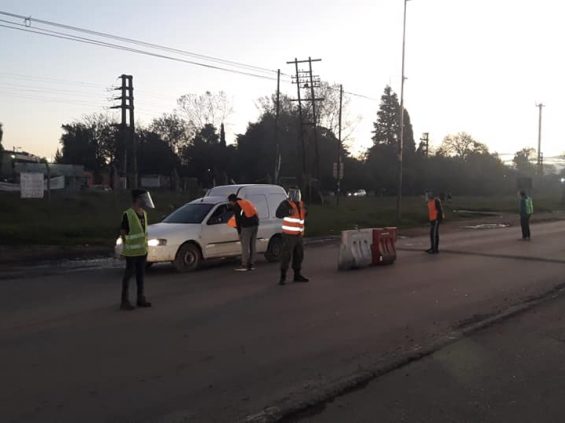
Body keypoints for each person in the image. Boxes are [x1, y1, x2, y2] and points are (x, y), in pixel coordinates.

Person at [119, 189, 154, 311]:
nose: (145, 200)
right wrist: (125, 247)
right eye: (143, 198)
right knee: (128, 276)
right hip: (131, 252)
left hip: (142, 251)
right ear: (137, 199)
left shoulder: (143, 213)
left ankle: (140, 298)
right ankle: (124, 301)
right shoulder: (128, 214)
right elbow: (123, 232)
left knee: (141, 275)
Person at [276, 187, 309, 285]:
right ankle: (283, 276)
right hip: (289, 235)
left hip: (299, 235)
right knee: (286, 256)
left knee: (299, 255)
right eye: (294, 194)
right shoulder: (285, 204)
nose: (296, 196)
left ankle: (297, 275)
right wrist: (288, 212)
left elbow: (305, 214)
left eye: (297, 193)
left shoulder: (301, 204)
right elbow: (278, 214)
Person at [227, 194, 259, 271]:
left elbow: (238, 220)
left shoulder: (237, 206)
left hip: (246, 226)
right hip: (255, 224)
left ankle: (244, 265)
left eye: (230, 202)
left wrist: (239, 232)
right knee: (252, 245)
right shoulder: (245, 202)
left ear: (232, 201)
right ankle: (251, 264)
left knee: (245, 246)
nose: (230, 204)